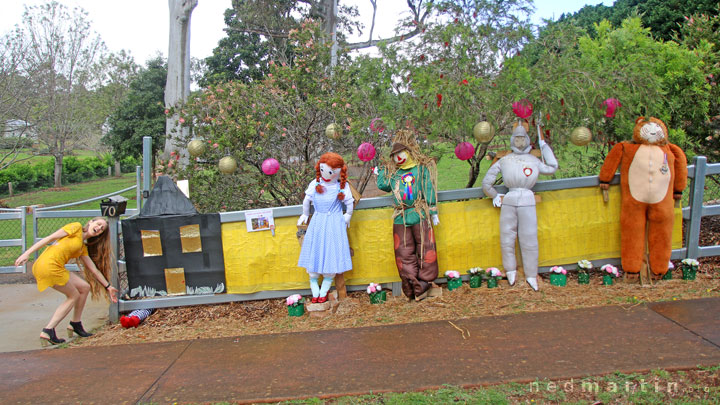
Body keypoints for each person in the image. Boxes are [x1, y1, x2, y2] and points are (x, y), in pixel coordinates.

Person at [15, 218, 119, 346]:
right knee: (73, 295)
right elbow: (49, 238)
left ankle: (75, 324)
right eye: (98, 224)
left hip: (56, 267)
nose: (98, 229)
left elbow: (94, 270)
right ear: (91, 222)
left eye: (101, 229)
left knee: (84, 287)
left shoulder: (82, 247)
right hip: (48, 266)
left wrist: (108, 287)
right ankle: (48, 330)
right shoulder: (75, 228)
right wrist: (27, 253)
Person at [481, 123, 558, 291]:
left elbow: (552, 167)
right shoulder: (505, 160)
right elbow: (486, 182)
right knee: (506, 238)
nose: (520, 141)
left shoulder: (534, 160)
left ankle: (531, 274)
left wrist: (544, 147)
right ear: (512, 140)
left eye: (522, 138)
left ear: (528, 139)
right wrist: (494, 195)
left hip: (527, 200)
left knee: (529, 239)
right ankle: (510, 270)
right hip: (509, 199)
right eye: (517, 138)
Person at [376, 130, 440, 301]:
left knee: (426, 248)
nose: (398, 158)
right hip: (401, 216)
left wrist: (433, 211)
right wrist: (382, 170)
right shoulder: (395, 174)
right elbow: (383, 184)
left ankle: (425, 283)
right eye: (395, 155)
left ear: (409, 152)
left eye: (401, 153)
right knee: (403, 252)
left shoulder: (421, 169)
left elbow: (428, 188)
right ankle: (411, 286)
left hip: (419, 213)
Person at [297, 152, 354, 303]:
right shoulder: (314, 184)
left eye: (330, 172)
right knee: (315, 251)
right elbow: (307, 200)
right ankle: (315, 292)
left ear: (338, 172)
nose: (326, 174)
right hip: (317, 222)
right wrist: (305, 213)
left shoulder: (341, 187)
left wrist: (347, 216)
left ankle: (323, 292)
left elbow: (349, 203)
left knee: (331, 252)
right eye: (323, 170)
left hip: (334, 223)